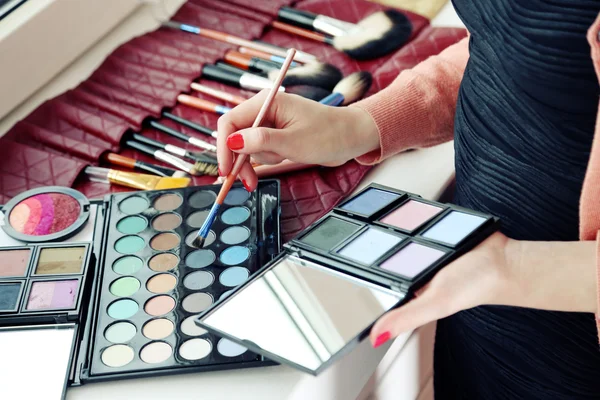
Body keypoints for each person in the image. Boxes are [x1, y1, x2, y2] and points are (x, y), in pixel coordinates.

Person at [218, 3, 600, 399]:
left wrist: (513, 267)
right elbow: (503, 47)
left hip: (574, 327)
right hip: (476, 285)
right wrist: (355, 126)